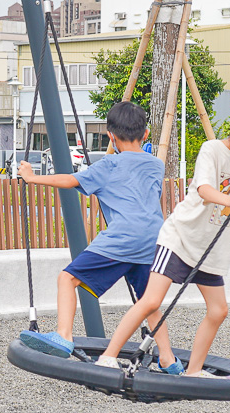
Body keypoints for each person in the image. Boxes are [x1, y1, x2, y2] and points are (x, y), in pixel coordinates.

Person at [96, 103, 230, 376]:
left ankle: (194, 371)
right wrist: (229, 197)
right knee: (151, 301)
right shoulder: (212, 150)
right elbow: (203, 189)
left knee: (218, 310)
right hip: (180, 239)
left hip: (211, 249)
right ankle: (108, 356)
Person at [17, 101, 183, 374]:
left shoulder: (109, 164)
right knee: (148, 301)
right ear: (144, 134)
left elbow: (70, 180)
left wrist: (33, 178)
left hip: (123, 239)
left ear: (110, 136)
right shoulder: (156, 164)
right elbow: (155, 200)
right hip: (154, 241)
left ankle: (63, 335)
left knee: (67, 279)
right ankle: (168, 359)